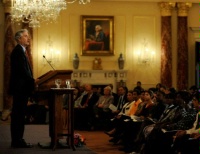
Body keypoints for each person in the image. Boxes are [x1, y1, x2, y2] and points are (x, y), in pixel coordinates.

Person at [9, 29, 35, 148]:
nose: (28, 38)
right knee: (18, 116)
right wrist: (33, 80)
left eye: (28, 36)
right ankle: (17, 141)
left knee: (19, 115)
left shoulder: (22, 51)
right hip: (20, 89)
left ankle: (18, 139)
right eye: (25, 36)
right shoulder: (18, 51)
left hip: (22, 89)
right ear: (19, 39)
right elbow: (22, 71)